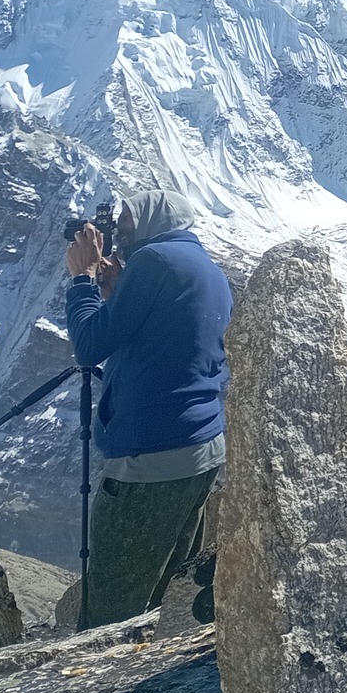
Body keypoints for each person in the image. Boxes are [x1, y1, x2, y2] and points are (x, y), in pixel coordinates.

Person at [63, 189, 232, 627]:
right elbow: (165, 335)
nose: (117, 229)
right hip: (201, 448)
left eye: (127, 220)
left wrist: (82, 279)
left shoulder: (153, 262)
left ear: (155, 220)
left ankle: (94, 686)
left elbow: (89, 347)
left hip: (151, 456)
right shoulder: (204, 268)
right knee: (165, 585)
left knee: (113, 596)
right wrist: (120, 292)